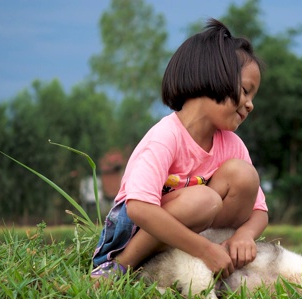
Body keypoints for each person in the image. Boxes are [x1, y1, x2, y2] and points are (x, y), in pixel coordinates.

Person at [90, 18, 268, 280]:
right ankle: (120, 267)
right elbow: (138, 208)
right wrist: (204, 249)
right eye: (245, 91)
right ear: (213, 76)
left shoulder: (232, 145)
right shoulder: (165, 137)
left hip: (193, 235)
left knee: (243, 175)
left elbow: (259, 211)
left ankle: (204, 257)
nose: (250, 105)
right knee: (204, 200)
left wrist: (244, 235)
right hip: (133, 237)